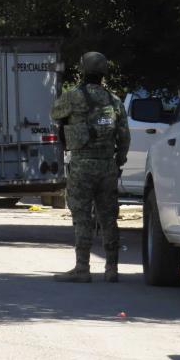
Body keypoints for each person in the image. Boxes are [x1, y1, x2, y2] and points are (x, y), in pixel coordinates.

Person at [51, 51, 130, 283]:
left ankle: (82, 268)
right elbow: (124, 137)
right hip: (107, 166)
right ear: (104, 72)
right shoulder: (114, 100)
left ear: (83, 70)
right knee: (108, 217)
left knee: (82, 216)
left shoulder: (72, 96)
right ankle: (112, 269)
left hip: (82, 166)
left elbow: (55, 113)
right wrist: (118, 161)